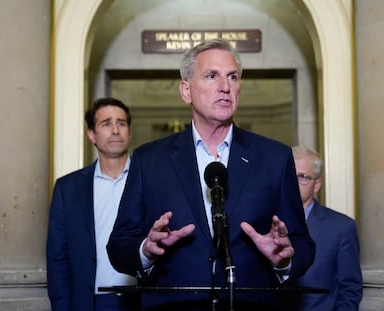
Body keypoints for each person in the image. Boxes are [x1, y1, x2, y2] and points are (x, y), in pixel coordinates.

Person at [107, 39, 315, 311]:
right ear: (186, 91)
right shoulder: (149, 160)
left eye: (233, 77)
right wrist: (146, 249)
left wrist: (284, 258)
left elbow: (303, 244)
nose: (225, 87)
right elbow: (120, 245)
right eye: (211, 76)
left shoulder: (274, 158)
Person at [46, 98, 139, 311]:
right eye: (106, 123)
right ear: (91, 135)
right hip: (90, 302)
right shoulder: (68, 189)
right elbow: (57, 257)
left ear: (129, 132)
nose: (115, 130)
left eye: (122, 123)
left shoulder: (151, 181)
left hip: (139, 300)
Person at [291, 145, 363, 310]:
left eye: (302, 176)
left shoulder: (341, 228)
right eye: (289, 175)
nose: (293, 183)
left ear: (316, 185)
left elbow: (350, 290)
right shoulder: (265, 223)